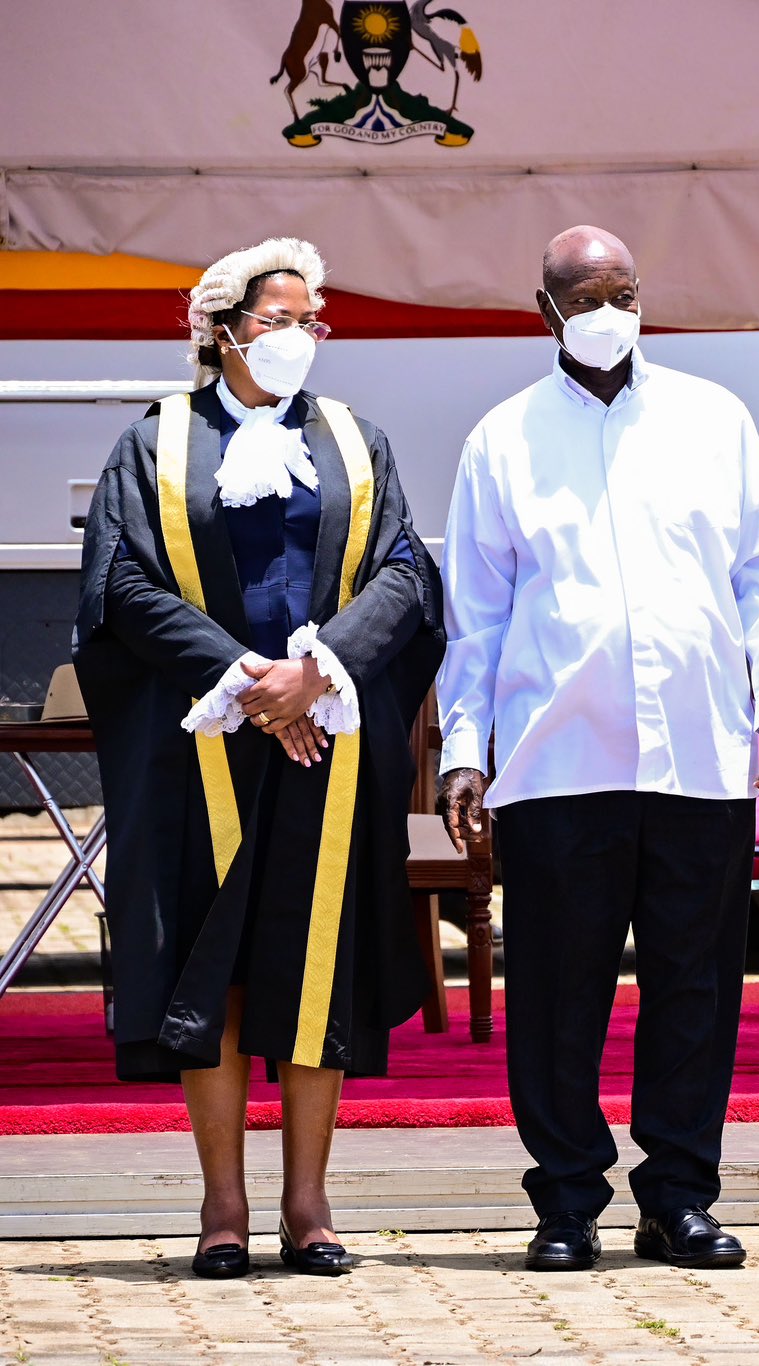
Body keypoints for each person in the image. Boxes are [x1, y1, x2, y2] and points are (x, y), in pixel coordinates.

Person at [437, 226, 759, 1273]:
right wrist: (463, 749)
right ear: (544, 310)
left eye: (623, 289)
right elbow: (472, 619)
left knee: (695, 988)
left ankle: (679, 1195)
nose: (607, 308)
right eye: (584, 293)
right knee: (560, 994)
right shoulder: (501, 440)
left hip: (699, 757)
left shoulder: (713, 418)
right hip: (559, 766)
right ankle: (565, 1199)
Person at [73, 237, 443, 1279]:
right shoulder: (155, 444)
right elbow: (124, 585)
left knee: (315, 965)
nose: (300, 337)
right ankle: (223, 1207)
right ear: (224, 328)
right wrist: (246, 679)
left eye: (311, 320)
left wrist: (316, 673)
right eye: (282, 317)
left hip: (323, 738)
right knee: (215, 965)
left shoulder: (355, 443)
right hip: (202, 742)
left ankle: (310, 1206)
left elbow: (406, 574)